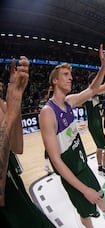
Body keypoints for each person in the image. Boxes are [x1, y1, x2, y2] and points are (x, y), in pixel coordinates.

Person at [39, 44, 105, 227]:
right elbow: (56, 160)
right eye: (65, 75)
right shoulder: (48, 113)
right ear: (54, 81)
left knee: (100, 194)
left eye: (70, 75)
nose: (70, 78)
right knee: (85, 211)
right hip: (70, 171)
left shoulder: (70, 102)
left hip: (81, 164)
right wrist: (83, 189)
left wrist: (103, 66)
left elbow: (93, 90)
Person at [0, 56, 55, 227]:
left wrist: (15, 100)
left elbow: (17, 146)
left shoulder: (1, 104)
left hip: (17, 193)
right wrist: (11, 111)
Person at [84, 62, 105, 181]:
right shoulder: (90, 91)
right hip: (94, 125)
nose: (98, 82)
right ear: (91, 82)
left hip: (95, 125)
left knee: (99, 147)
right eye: (96, 80)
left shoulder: (93, 92)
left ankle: (99, 168)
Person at [39, 87, 53, 174]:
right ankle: (47, 165)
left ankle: (47, 165)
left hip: (45, 127)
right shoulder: (43, 104)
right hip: (47, 127)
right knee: (49, 147)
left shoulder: (42, 103)